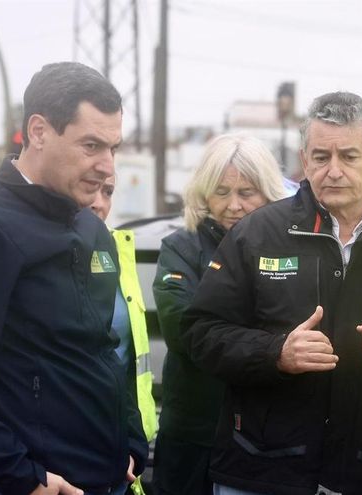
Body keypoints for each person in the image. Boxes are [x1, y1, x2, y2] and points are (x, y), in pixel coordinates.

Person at [181, 92, 362, 495]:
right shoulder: (256, 234)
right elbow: (200, 332)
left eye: (349, 156)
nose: (333, 171)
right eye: (321, 156)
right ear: (304, 159)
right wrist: (276, 353)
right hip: (262, 473)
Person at [0, 62, 148, 495]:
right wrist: (23, 478)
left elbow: (103, 351)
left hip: (106, 479)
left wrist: (129, 440)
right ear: (38, 131)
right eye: (91, 145)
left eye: (113, 148)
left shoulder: (90, 227)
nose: (107, 168)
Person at [151, 134, 286, 495]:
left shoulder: (290, 249)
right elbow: (184, 331)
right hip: (193, 436)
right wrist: (268, 345)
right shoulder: (180, 247)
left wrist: (224, 328)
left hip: (266, 438)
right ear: (203, 193)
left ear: (268, 192)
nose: (233, 205)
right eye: (222, 192)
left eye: (246, 192)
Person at [90, 175, 160, 491]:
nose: (99, 203)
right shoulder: (41, 257)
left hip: (121, 445)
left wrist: (133, 442)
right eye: (90, 189)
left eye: (107, 191)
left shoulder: (118, 250)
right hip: (62, 454)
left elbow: (125, 361)